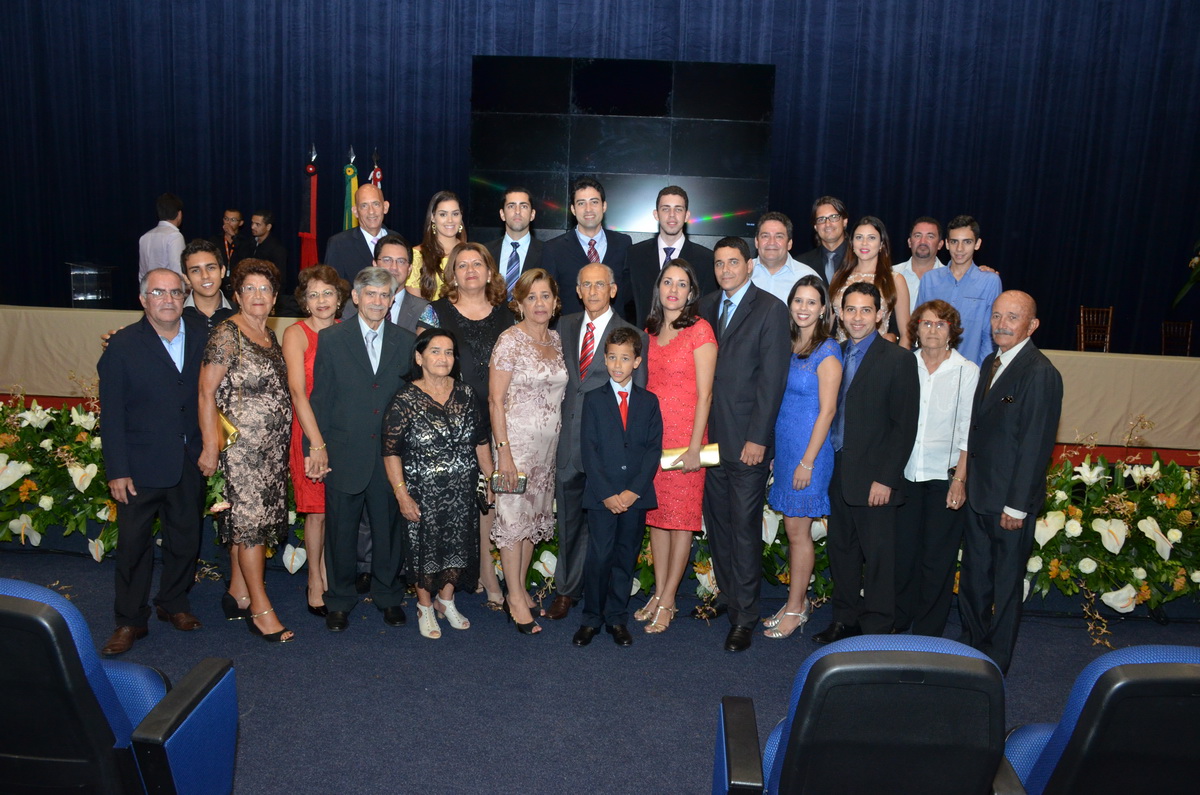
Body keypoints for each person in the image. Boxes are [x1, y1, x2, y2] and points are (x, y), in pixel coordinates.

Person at [96, 268, 206, 656]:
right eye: (158, 293)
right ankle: (130, 619)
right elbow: (111, 414)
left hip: (189, 460)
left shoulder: (203, 335)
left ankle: (173, 603)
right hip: (139, 467)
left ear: (184, 298)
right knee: (132, 547)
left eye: (175, 292)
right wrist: (118, 470)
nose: (168, 299)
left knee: (185, 540)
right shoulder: (122, 345)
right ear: (143, 300)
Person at [958, 291, 1062, 673]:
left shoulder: (1040, 372)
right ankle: (971, 647)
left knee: (1004, 586)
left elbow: (1036, 445)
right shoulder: (991, 362)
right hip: (979, 495)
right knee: (974, 579)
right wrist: (963, 480)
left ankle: (996, 662)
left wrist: (1016, 506)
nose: (1002, 324)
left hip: (1009, 505)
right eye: (997, 316)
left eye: (1012, 317)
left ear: (1032, 325)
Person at [309, 267, 416, 632]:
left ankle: (389, 596)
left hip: (389, 457)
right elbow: (321, 398)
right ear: (355, 297)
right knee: (341, 532)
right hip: (343, 452)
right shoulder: (332, 339)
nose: (377, 301)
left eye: (384, 295)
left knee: (388, 531)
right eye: (370, 294)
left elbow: (410, 401)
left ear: (392, 300)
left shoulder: (405, 341)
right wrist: (316, 448)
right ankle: (339, 600)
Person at [812, 282, 919, 643]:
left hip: (876, 479)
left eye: (865, 310)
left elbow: (904, 426)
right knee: (841, 552)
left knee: (877, 559)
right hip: (837, 471)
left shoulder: (899, 359)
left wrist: (886, 479)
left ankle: (876, 629)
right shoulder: (834, 354)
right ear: (840, 314)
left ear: (880, 315)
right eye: (851, 309)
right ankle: (844, 620)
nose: (857, 317)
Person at [699, 237, 791, 652]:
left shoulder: (771, 309)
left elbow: (772, 382)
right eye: (719, 263)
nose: (725, 270)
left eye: (733, 262)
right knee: (718, 524)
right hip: (710, 439)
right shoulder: (705, 306)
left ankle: (746, 616)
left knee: (744, 529)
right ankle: (729, 595)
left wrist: (758, 439)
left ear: (749, 265)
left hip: (747, 442)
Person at [198, 259, 295, 643]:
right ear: (237, 296)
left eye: (265, 289)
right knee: (251, 527)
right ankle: (261, 608)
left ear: (275, 297)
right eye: (249, 289)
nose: (258, 295)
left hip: (270, 452)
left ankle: (238, 592)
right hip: (241, 453)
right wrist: (210, 446)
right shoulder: (227, 334)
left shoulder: (269, 335)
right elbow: (206, 392)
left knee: (246, 525)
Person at [551, 263, 647, 622]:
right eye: (586, 285)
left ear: (613, 289)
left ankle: (605, 597)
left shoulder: (633, 334)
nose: (593, 291)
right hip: (567, 445)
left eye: (600, 285)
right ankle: (566, 591)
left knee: (607, 531)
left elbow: (637, 398)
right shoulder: (563, 326)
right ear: (578, 291)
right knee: (568, 524)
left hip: (607, 452)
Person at [383, 329, 491, 639]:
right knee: (424, 549)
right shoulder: (404, 399)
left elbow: (481, 439)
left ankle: (446, 600)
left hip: (462, 491)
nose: (443, 358)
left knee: (458, 545)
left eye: (448, 352)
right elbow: (390, 452)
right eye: (435, 351)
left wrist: (489, 478)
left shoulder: (466, 393)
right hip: (422, 493)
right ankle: (424, 606)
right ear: (419, 358)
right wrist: (402, 495)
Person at [432, 241, 515, 608]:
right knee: (455, 503)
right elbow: (423, 365)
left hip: (498, 418)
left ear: (489, 271)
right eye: (462, 265)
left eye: (477, 264)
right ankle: (451, 578)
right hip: (450, 422)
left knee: (488, 498)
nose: (470, 271)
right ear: (452, 273)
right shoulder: (436, 312)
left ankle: (485, 571)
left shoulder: (508, 314)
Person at [637, 259, 716, 635]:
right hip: (654, 439)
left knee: (681, 521)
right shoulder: (648, 332)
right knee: (657, 518)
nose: (673, 289)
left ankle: (668, 600)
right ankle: (657, 593)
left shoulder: (700, 330)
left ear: (691, 292)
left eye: (682, 284)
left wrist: (695, 447)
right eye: (667, 282)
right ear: (658, 288)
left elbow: (706, 394)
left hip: (686, 441)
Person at [489, 268, 568, 634]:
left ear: (555, 302)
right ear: (518, 303)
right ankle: (516, 599)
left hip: (547, 452)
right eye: (531, 297)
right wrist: (503, 453)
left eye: (545, 296)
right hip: (515, 448)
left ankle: (517, 589)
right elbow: (495, 400)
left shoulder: (557, 339)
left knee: (531, 523)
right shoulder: (509, 341)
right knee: (512, 522)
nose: (539, 303)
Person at [573, 327, 663, 648]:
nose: (617, 364)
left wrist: (632, 491)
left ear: (637, 361)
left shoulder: (649, 402)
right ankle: (591, 618)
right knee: (599, 557)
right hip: (603, 497)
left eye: (625, 358)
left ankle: (616, 617)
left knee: (625, 557)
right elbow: (589, 450)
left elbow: (653, 450)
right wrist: (608, 493)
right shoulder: (593, 400)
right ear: (605, 358)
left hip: (634, 497)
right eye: (612, 357)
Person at [764, 275, 842, 639]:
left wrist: (807, 462)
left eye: (812, 302)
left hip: (810, 452)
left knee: (798, 532)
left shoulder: (828, 350)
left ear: (823, 308)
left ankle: (797, 607)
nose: (804, 308)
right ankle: (795, 601)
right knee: (793, 529)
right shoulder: (788, 343)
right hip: (786, 449)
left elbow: (828, 411)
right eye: (798, 301)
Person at [894, 300, 979, 637]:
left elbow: (968, 430)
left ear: (951, 332)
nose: (932, 330)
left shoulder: (966, 371)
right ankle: (900, 620)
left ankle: (928, 631)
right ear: (916, 328)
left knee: (937, 558)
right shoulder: (904, 364)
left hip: (945, 478)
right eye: (926, 323)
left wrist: (960, 479)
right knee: (904, 554)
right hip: (906, 474)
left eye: (940, 324)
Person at [282, 264, 350, 618]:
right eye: (313, 294)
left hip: (343, 433)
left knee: (338, 510)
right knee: (317, 512)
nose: (321, 300)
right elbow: (297, 392)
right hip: (310, 432)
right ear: (304, 301)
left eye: (327, 293)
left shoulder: (347, 331)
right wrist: (317, 443)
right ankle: (314, 580)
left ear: (339, 299)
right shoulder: (296, 334)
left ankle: (331, 574)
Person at [915, 215, 1002, 366]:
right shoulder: (930, 279)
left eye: (967, 242)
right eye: (954, 242)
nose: (959, 249)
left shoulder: (989, 282)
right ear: (947, 244)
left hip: (971, 368)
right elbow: (918, 327)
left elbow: (990, 335)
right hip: (930, 366)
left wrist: (982, 372)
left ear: (977, 244)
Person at [542, 176, 633, 317]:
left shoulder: (623, 244)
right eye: (581, 203)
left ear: (604, 206)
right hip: (571, 329)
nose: (588, 209)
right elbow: (548, 297)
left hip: (616, 329)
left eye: (594, 202)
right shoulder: (554, 249)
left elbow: (628, 293)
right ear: (573, 209)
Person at [626, 186, 716, 324]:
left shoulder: (706, 259)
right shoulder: (635, 255)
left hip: (687, 336)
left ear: (686, 215)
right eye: (665, 209)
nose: (672, 215)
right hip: (642, 335)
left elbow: (707, 310)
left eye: (678, 209)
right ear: (656, 214)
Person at [829, 216, 912, 348]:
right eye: (859, 237)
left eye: (871, 238)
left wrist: (899, 360)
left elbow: (906, 333)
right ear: (852, 243)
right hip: (841, 353)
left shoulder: (895, 280)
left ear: (881, 244)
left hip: (878, 355)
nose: (864, 243)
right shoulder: (839, 277)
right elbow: (827, 326)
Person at [343, 234, 438, 330]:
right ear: (375, 264)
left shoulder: (424, 309)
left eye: (401, 261)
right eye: (387, 260)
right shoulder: (351, 307)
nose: (394, 267)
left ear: (409, 269)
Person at [325, 184, 393, 284]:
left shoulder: (398, 241)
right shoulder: (339, 244)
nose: (371, 211)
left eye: (376, 204)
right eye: (364, 206)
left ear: (385, 207)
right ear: (355, 211)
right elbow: (332, 287)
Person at [749, 211, 820, 305]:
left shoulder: (807, 276)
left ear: (789, 243)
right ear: (756, 242)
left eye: (779, 236)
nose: (771, 242)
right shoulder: (742, 274)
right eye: (765, 236)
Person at [485, 187, 545, 297]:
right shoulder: (486, 252)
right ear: (502, 214)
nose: (517, 211)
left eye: (523, 206)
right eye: (511, 206)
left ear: (532, 214)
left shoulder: (547, 252)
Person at [408, 190, 467, 300]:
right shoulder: (417, 255)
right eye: (443, 214)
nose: (450, 220)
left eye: (455, 214)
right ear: (433, 217)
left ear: (461, 216)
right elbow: (414, 305)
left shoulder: (471, 254)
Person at [892, 217, 946, 314]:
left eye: (930, 236)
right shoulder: (891, 274)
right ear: (909, 242)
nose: (923, 242)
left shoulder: (950, 278)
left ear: (940, 244)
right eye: (917, 236)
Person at [180, 238, 235, 331]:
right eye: (196, 270)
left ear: (222, 271)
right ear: (186, 278)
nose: (205, 276)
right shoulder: (177, 316)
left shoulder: (239, 314)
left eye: (211, 268)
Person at [794, 196, 850, 286]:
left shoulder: (860, 258)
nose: (827, 224)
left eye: (833, 217)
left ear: (844, 221)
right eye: (821, 219)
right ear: (815, 226)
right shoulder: (801, 264)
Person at [138, 192, 185, 281]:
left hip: (149, 287)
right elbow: (178, 272)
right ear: (179, 214)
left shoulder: (144, 237)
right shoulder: (175, 236)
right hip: (168, 287)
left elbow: (142, 273)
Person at [246, 211, 289, 288]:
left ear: (268, 227)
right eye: (252, 223)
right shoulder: (249, 243)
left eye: (257, 224)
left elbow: (279, 278)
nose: (252, 227)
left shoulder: (277, 249)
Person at [210, 208, 253, 278]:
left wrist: (233, 236)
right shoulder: (215, 240)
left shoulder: (246, 241)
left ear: (241, 223)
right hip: (219, 279)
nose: (228, 223)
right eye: (226, 219)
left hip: (239, 279)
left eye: (233, 220)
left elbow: (246, 259)